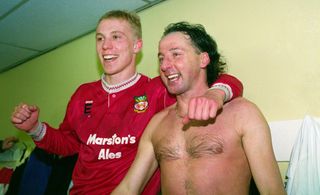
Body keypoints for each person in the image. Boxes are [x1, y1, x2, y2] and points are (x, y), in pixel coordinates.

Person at [10, 10, 243, 194]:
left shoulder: (157, 90)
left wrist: (216, 93)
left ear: (136, 46)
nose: (105, 46)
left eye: (116, 37)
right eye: (100, 39)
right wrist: (35, 128)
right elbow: (68, 144)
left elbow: (221, 79)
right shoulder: (83, 94)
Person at [112, 22, 285, 195]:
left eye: (176, 54)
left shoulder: (243, 113)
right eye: (161, 58)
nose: (164, 65)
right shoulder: (157, 123)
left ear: (203, 59)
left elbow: (272, 190)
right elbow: (128, 188)